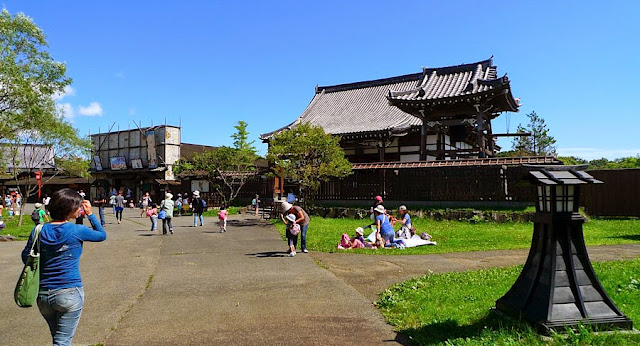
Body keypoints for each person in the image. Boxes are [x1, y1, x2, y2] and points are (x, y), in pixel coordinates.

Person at [21, 188, 106, 346]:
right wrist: (91, 215)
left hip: (43, 295)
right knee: (62, 342)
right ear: (71, 210)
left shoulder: (38, 230)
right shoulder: (77, 230)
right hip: (69, 292)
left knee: (58, 338)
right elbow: (101, 235)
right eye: (78, 207)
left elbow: (25, 257)